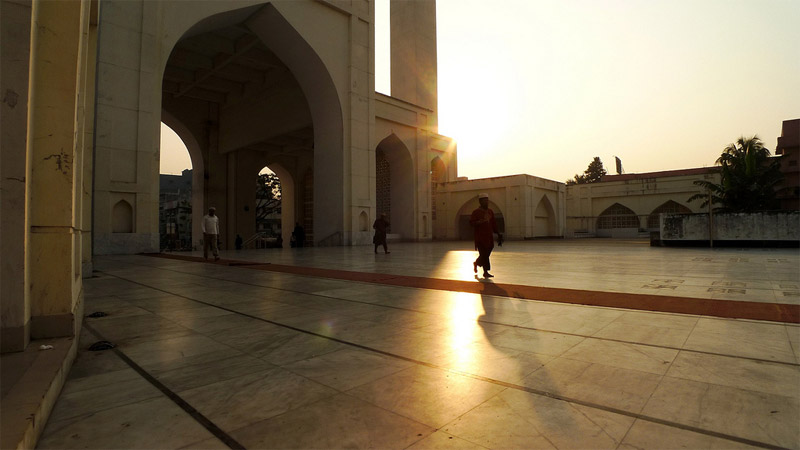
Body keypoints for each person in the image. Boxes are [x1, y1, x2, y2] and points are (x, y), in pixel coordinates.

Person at [470, 193, 502, 278]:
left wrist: (498, 233)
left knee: (486, 254)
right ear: (480, 202)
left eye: (487, 200)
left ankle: (476, 263)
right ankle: (485, 272)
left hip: (489, 237)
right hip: (480, 238)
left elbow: (493, 223)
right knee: (484, 254)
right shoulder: (476, 212)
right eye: (484, 201)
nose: (486, 202)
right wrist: (479, 222)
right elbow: (471, 223)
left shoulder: (490, 212)